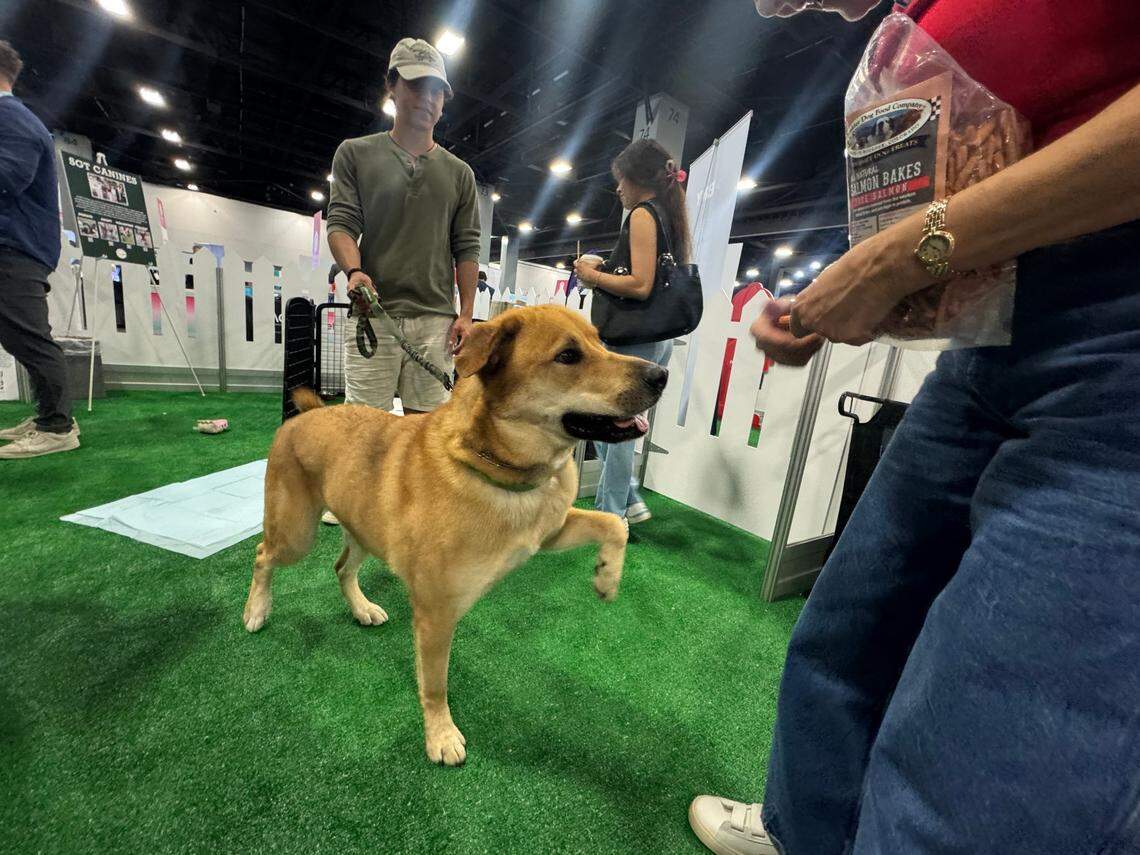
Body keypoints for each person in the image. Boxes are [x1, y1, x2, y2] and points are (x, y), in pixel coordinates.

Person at [688, 1, 1140, 853]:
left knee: (998, 744)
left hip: (1117, 340)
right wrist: (873, 288)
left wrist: (899, 257)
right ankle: (802, 831)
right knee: (849, 629)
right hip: (992, 335)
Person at [324, 37, 481, 524]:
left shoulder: (460, 174)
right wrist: (354, 270)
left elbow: (468, 247)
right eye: (415, 86)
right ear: (392, 87)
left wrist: (467, 314)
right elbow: (341, 223)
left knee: (428, 424)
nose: (427, 100)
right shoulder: (355, 153)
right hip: (375, 312)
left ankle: (417, 502)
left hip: (436, 320)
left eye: (436, 90)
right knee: (363, 420)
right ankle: (354, 503)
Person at [573, 139, 692, 525]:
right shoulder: (667, 215)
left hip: (631, 339)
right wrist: (606, 264)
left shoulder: (642, 214)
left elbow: (640, 284)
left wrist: (592, 275)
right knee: (609, 419)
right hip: (653, 336)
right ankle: (628, 500)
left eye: (621, 180)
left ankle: (612, 514)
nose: (618, 188)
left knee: (614, 424)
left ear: (638, 178)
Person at [0, 39, 79, 460]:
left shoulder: (13, 119)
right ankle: (51, 414)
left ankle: (57, 426)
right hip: (16, 244)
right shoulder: (13, 118)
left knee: (30, 337)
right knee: (19, 335)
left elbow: (9, 176)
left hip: (17, 246)